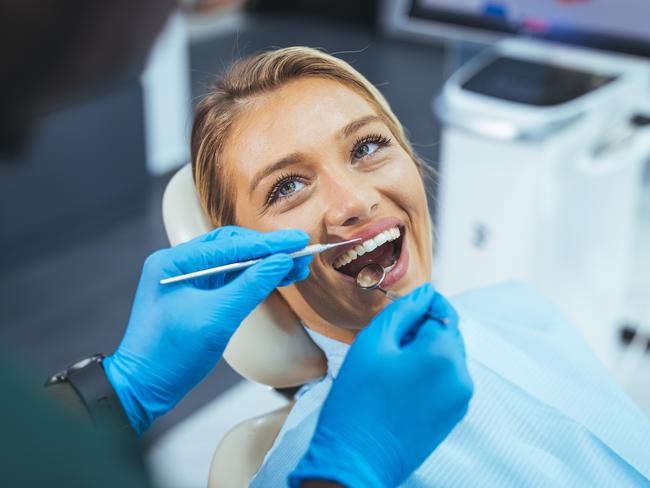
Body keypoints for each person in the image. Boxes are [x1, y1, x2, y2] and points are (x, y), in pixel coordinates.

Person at [188, 46, 650, 486]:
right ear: (247, 260)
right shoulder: (306, 471)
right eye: (287, 186)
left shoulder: (522, 308)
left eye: (367, 147)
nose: (355, 201)